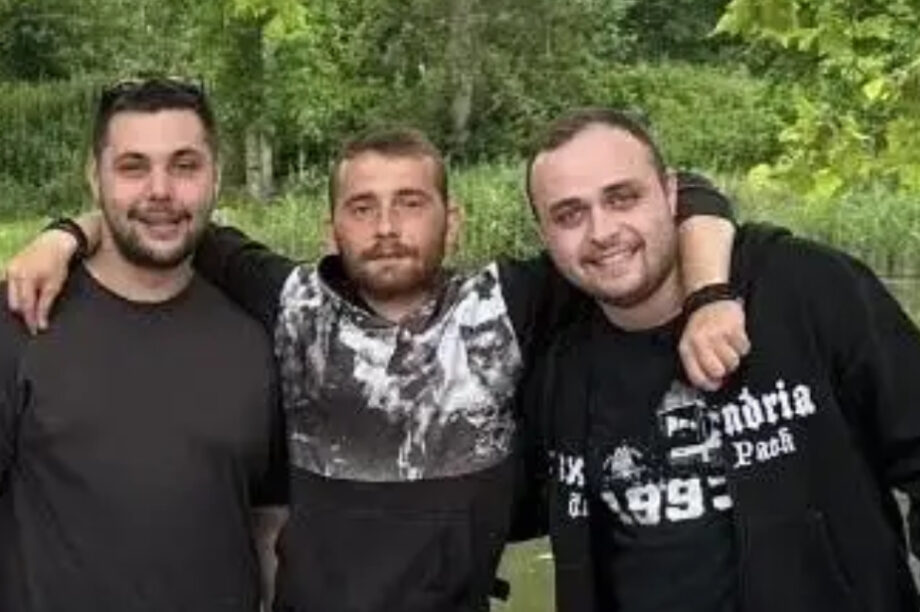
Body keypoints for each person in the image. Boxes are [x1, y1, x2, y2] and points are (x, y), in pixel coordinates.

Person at [5, 127, 746, 611]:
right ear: (332, 227)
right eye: (362, 208)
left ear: (453, 221)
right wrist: (66, 233)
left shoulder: (509, 302)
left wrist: (710, 295)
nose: (386, 228)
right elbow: (166, 216)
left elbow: (689, 193)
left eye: (410, 203)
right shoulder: (289, 300)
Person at [524, 107, 920, 612]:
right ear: (543, 234)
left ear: (672, 194)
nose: (602, 231)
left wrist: (710, 294)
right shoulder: (551, 354)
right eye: (569, 215)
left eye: (622, 197)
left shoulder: (803, 287)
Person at [0, 78, 288, 612]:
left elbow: (268, 524)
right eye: (133, 167)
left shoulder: (257, 337)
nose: (160, 190)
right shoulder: (22, 319)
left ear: (216, 176)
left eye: (185, 166)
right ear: (95, 178)